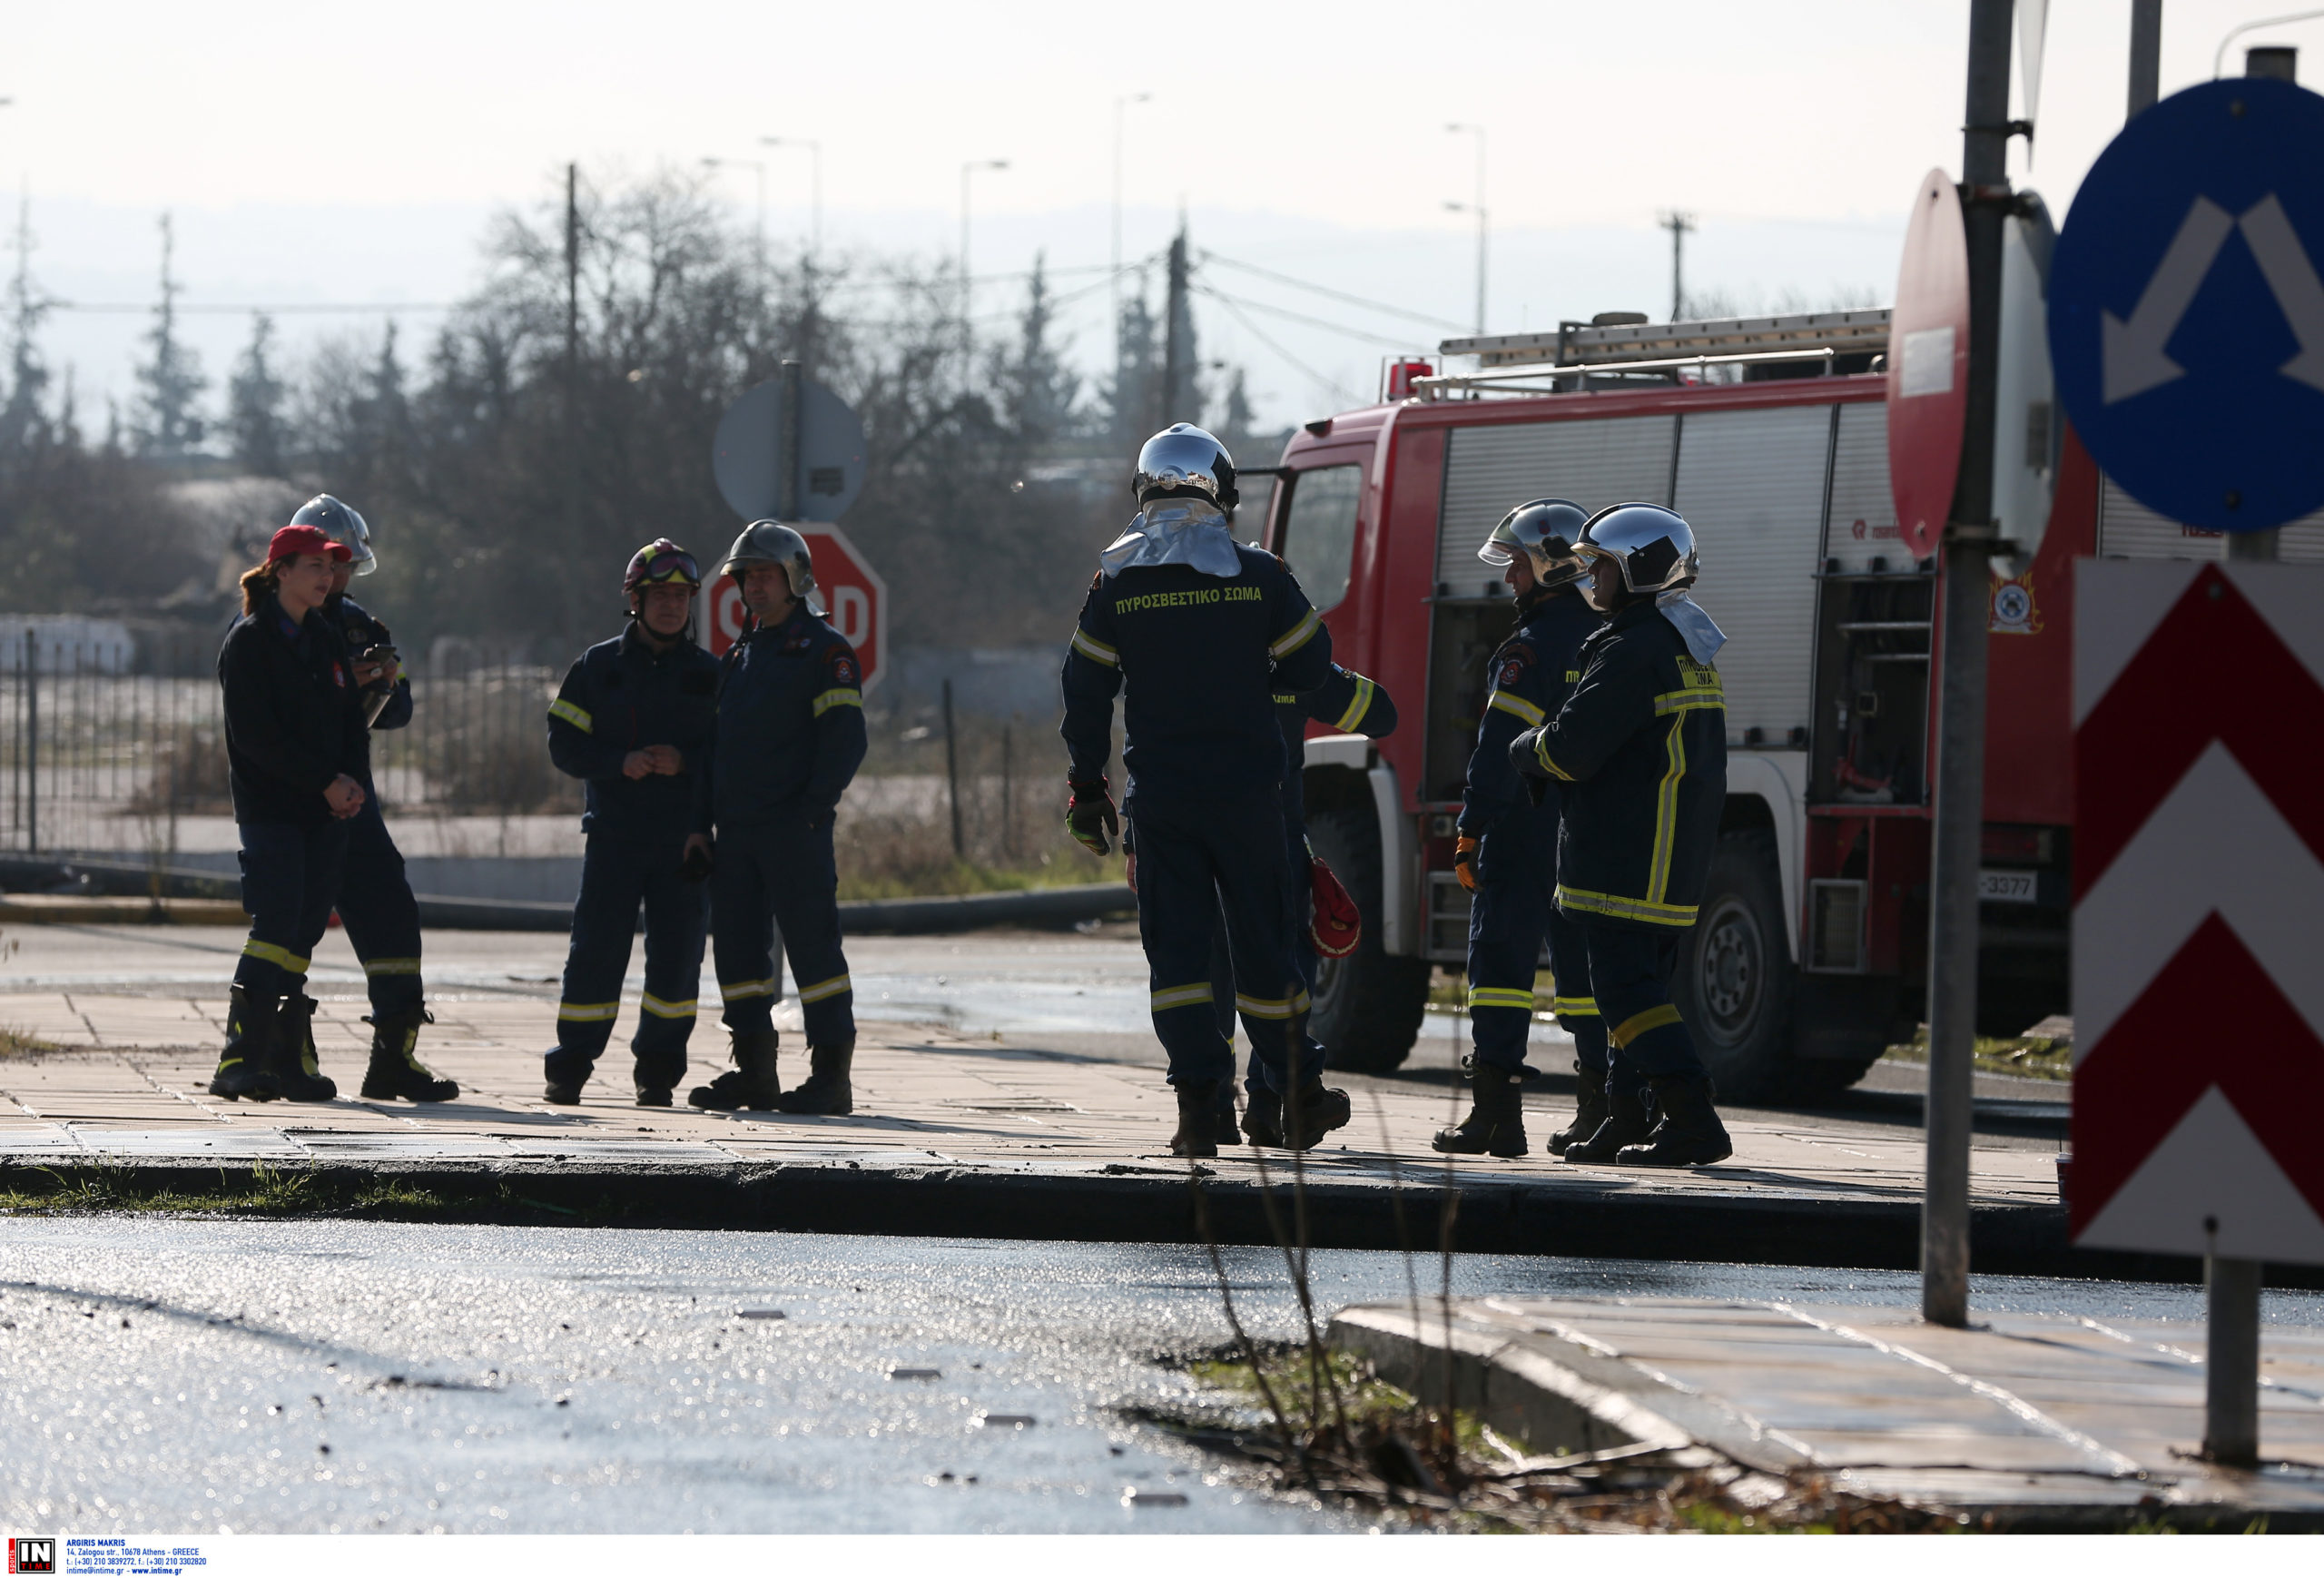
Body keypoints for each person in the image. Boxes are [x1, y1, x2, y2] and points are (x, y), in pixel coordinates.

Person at [1060, 422, 1349, 1159]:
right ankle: (1301, 1095)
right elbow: (1314, 668)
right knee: (1264, 953)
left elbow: (1085, 688)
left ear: (1142, 491)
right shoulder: (1261, 576)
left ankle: (1198, 1113)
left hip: (1162, 802)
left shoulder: (1116, 583)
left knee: (1181, 962)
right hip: (1251, 798)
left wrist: (1088, 787)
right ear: (1224, 492)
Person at [1510, 502, 1734, 1167]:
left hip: (1627, 855)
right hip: (1668, 854)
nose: (1591, 579)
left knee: (1624, 994)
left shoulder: (1633, 649)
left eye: (1602, 566)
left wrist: (1525, 749)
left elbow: (1573, 748)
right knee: (1638, 992)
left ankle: (1693, 1117)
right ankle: (1626, 1114)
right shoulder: (1682, 643)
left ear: (1638, 570)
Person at [1433, 499, 1606, 1159]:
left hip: (1523, 826)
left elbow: (1500, 747)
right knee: (1585, 972)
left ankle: (1497, 1117)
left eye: (1517, 566)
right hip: (1586, 830)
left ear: (1548, 567)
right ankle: (1600, 1108)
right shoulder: (1607, 641)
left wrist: (1472, 825)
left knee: (1500, 964)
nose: (1509, 580)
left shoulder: (1527, 651)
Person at [690, 520, 867, 1116]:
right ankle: (754, 1072)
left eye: (765, 575)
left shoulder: (825, 651)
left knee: (814, 954)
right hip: (735, 836)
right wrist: (700, 825)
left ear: (794, 578)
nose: (754, 587)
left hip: (794, 830)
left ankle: (831, 1076)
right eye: (747, 578)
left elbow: (844, 742)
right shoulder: (737, 657)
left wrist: (812, 812)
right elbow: (709, 753)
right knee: (738, 957)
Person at [543, 539, 721, 1105]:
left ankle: (658, 1074)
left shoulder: (713, 675)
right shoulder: (597, 668)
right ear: (635, 601)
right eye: (659, 596)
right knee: (595, 953)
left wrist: (685, 763)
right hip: (614, 837)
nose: (670, 606)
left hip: (684, 844)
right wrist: (617, 763)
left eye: (680, 596)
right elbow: (563, 744)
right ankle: (569, 1069)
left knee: (677, 958)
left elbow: (732, 757)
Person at [299, 494, 458, 1104]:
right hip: (297, 800)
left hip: (354, 802)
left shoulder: (363, 626)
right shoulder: (273, 625)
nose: (334, 577)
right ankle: (286, 1049)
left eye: (344, 566)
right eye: (324, 563)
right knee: (292, 927)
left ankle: (395, 1055)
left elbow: (402, 710)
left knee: (391, 912)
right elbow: (271, 714)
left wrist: (383, 684)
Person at [1201, 663, 1397, 1149]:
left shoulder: (1200, 655)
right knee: (1283, 972)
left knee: (1211, 973)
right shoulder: (1297, 669)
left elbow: (1149, 744)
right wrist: (1323, 669)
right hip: (1274, 845)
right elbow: (1382, 714)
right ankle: (1268, 1102)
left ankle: (1210, 1109)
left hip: (1203, 839)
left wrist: (1137, 838)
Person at [210, 524, 370, 1103]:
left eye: (331, 569)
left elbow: (352, 719)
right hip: (273, 810)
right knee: (274, 925)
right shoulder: (249, 641)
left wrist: (351, 782)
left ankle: (286, 1060)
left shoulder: (325, 638)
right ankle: (238, 1060)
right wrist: (323, 782)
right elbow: (255, 739)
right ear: (281, 573)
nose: (327, 578)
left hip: (327, 811)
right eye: (314, 567)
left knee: (302, 933)